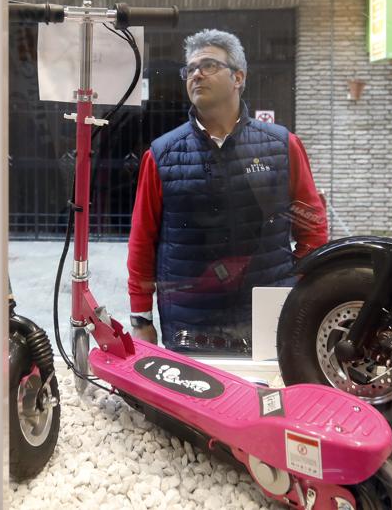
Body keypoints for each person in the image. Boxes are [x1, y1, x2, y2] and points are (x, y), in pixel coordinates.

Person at [126, 29, 328, 354]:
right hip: (189, 317)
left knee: (266, 399)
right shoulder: (162, 154)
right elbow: (142, 241)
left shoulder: (282, 146)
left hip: (267, 312)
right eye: (190, 69)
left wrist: (298, 287)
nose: (196, 74)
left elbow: (313, 228)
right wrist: (141, 318)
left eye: (208, 65)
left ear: (238, 77)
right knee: (193, 400)